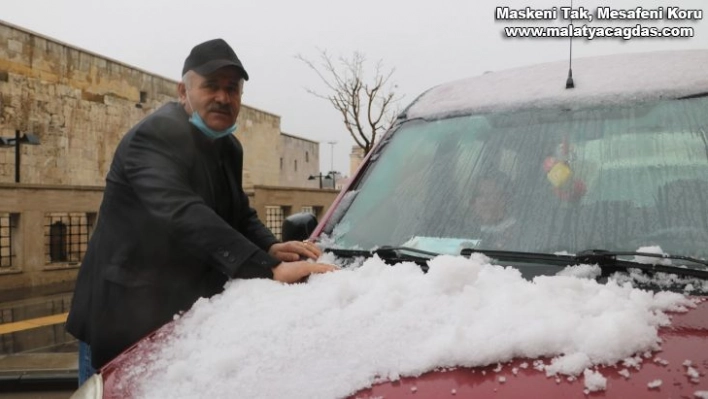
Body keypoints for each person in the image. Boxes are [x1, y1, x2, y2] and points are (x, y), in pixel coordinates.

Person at [66, 38, 336, 384]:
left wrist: (269, 245)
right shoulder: (155, 135)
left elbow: (238, 212)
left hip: (175, 326)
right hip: (122, 324)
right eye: (211, 86)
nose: (223, 98)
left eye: (232, 89)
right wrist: (269, 268)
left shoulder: (228, 146)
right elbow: (183, 213)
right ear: (183, 91)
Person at [468, 172, 517, 249]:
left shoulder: (519, 235)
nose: (484, 201)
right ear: (473, 202)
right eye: (479, 195)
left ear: (505, 199)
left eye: (491, 194)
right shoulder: (461, 232)